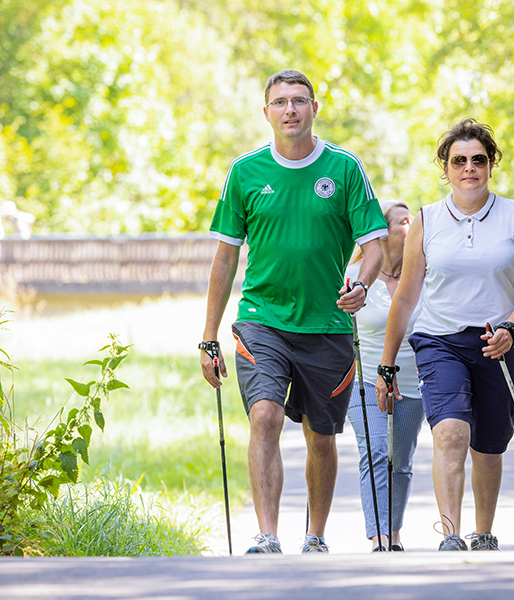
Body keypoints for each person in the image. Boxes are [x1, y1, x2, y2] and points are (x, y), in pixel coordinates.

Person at [200, 69, 387, 555]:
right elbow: (224, 258)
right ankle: (267, 535)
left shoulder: (345, 169)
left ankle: (316, 536)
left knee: (321, 437)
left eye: (299, 101)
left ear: (313, 109)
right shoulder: (245, 172)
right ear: (266, 112)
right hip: (263, 320)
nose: (290, 110)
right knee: (265, 415)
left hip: (326, 326)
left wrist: (362, 285)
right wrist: (208, 335)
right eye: (280, 102)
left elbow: (376, 247)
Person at [375, 118, 514, 551]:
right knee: (450, 432)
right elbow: (407, 297)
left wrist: (511, 326)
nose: (469, 168)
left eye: (478, 160)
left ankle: (483, 531)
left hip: (499, 342)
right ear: (445, 168)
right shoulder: (428, 219)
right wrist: (387, 363)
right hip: (440, 340)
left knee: (488, 445)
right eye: (459, 161)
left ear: (491, 165)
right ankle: (450, 533)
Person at [345, 200, 425, 552]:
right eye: (404, 221)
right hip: (365, 382)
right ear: (382, 232)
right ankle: (378, 535)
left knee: (400, 458)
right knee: (376, 449)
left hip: (414, 382)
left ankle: (393, 533)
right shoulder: (356, 277)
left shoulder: (426, 272)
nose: (412, 225)